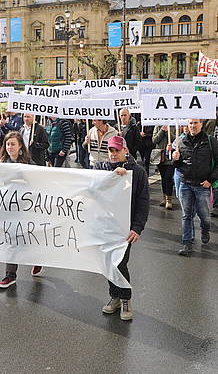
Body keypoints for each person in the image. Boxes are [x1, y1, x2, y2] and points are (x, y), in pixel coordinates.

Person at [95, 136, 149, 321]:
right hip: (105, 227)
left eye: (117, 150)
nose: (113, 154)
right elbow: (90, 186)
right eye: (110, 150)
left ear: (125, 150)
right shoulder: (101, 169)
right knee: (108, 262)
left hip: (125, 229)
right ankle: (115, 296)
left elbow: (143, 202)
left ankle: (126, 298)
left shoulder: (139, 173)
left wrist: (137, 228)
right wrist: (111, 176)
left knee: (120, 262)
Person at [172, 118, 218, 256]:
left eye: (195, 123)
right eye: (190, 123)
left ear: (201, 124)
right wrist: (175, 159)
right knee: (186, 215)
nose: (193, 126)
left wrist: (211, 180)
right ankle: (187, 243)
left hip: (202, 185)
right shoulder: (181, 142)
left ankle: (205, 229)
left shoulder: (210, 141)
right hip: (186, 184)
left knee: (204, 216)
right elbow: (178, 166)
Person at [0, 132, 43, 288]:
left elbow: (39, 183)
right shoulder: (2, 163)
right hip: (9, 209)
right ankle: (10, 275)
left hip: (26, 209)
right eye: (7, 144)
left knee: (29, 238)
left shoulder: (29, 164)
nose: (10, 147)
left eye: (13, 144)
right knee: (12, 240)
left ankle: (38, 259)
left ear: (20, 146)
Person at [152, 125, 175, 210]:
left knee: (168, 177)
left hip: (170, 156)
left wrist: (168, 132)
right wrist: (162, 131)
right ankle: (164, 196)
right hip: (160, 156)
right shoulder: (157, 126)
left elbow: (177, 139)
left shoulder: (174, 126)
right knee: (163, 178)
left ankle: (169, 199)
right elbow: (154, 140)